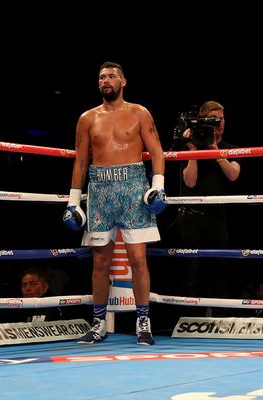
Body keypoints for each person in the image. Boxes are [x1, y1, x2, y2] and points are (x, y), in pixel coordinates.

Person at [63, 61, 166, 346]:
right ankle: (98, 324)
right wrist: (73, 202)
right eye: (101, 77)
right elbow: (81, 161)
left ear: (123, 81)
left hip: (133, 186)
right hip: (99, 189)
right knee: (100, 262)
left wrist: (158, 188)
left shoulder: (139, 113)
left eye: (111, 76)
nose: (105, 80)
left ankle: (143, 321)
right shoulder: (87, 118)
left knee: (138, 259)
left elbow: (157, 152)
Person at [176, 101, 241, 310]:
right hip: (192, 216)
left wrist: (214, 151)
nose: (219, 123)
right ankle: (189, 319)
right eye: (214, 119)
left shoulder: (229, 148)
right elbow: (190, 182)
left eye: (221, 119)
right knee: (191, 271)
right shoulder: (191, 147)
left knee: (221, 267)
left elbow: (234, 174)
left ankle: (221, 319)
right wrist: (193, 150)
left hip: (217, 215)